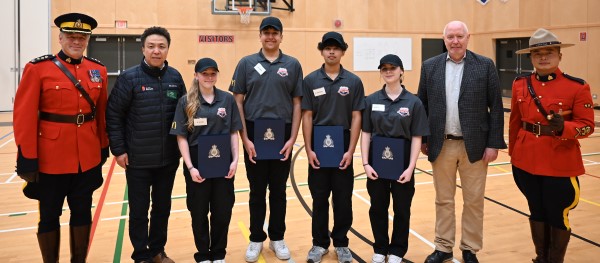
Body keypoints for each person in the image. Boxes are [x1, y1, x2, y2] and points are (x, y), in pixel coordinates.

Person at [13, 12, 109, 263]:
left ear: (88, 39)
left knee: (81, 212)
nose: (76, 41)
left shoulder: (98, 70)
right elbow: (24, 116)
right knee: (49, 214)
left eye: (82, 37)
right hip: (50, 159)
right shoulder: (38, 69)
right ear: (60, 37)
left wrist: (102, 146)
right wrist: (27, 156)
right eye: (71, 36)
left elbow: (101, 113)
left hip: (86, 157)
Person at [417, 21, 507, 263]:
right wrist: (424, 138)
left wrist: (493, 143)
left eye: (459, 36)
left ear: (468, 37)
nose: (455, 41)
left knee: (474, 201)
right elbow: (422, 105)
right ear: (443, 39)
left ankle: (470, 248)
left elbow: (496, 108)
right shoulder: (430, 67)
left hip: (475, 146)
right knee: (443, 200)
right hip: (441, 144)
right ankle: (443, 247)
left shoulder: (485, 65)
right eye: (450, 37)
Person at [509, 28, 595, 263]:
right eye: (537, 53)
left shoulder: (577, 87)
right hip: (526, 161)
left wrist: (564, 128)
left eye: (549, 52)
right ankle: (541, 258)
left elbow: (587, 126)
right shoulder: (520, 84)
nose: (543, 57)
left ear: (559, 55)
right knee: (536, 210)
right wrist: (514, 155)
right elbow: (515, 122)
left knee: (557, 214)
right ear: (531, 58)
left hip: (560, 162)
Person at [106, 26, 186, 263]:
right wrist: (119, 149)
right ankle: (141, 255)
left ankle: (157, 252)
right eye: (151, 46)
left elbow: (184, 114)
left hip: (168, 160)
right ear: (143, 48)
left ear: (167, 49)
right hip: (138, 160)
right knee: (139, 212)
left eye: (161, 46)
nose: (156, 51)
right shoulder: (129, 78)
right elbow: (114, 115)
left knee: (162, 210)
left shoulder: (175, 77)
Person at [229, 16, 303, 262]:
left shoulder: (292, 65)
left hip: (282, 133)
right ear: (260, 35)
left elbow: (297, 102)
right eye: (266, 32)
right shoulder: (246, 63)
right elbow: (237, 100)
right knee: (256, 191)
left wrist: (292, 138)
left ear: (281, 36)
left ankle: (277, 238)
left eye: (275, 33)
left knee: (279, 191)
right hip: (254, 132)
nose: (270, 37)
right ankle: (256, 238)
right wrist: (245, 138)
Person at [170, 58, 242, 263]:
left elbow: (233, 132)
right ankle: (203, 255)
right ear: (196, 76)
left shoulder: (227, 99)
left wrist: (235, 160)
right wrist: (190, 166)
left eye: (213, 73)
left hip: (223, 164)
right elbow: (181, 137)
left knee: (222, 211)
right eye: (205, 73)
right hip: (197, 165)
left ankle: (219, 254)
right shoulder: (186, 101)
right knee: (199, 212)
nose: (209, 77)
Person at [301, 31, 365, 263]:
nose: (331, 51)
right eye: (327, 47)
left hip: (343, 145)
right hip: (318, 144)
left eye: (335, 48)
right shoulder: (310, 81)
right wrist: (309, 149)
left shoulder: (353, 82)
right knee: (319, 199)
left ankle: (341, 243)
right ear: (321, 51)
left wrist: (351, 150)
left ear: (342, 51)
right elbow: (307, 116)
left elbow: (357, 116)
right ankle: (319, 244)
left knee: (342, 198)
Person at [361, 54, 430, 263]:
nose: (388, 72)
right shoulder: (371, 100)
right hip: (377, 164)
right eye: (384, 69)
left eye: (393, 68)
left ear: (401, 72)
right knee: (378, 208)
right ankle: (380, 248)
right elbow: (365, 133)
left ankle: (398, 250)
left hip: (402, 165)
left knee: (401, 210)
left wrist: (411, 168)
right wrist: (365, 163)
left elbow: (417, 136)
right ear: (381, 73)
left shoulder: (413, 102)